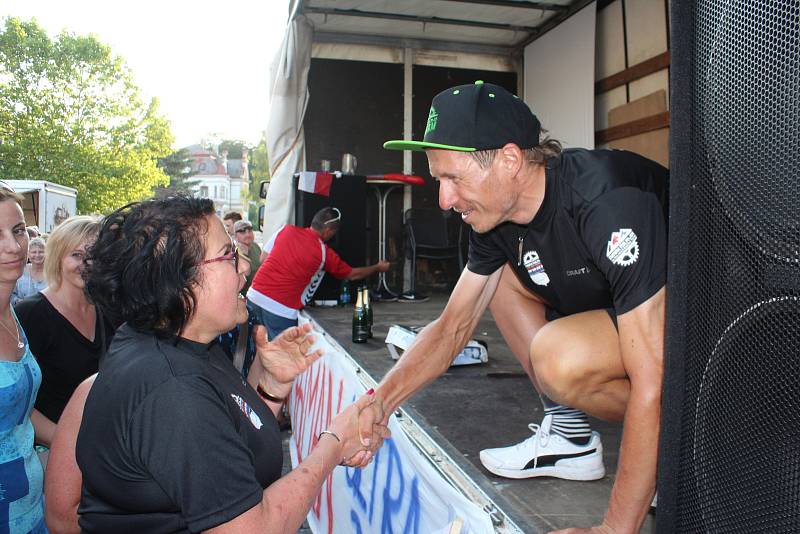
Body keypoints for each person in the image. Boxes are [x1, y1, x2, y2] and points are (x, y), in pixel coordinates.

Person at [360, 81, 668, 534]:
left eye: (454, 179)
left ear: (509, 160)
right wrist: (375, 405)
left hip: (712, 319)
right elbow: (451, 329)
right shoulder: (491, 219)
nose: (444, 200)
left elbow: (653, 379)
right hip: (621, 312)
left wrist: (613, 529)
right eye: (438, 180)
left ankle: (679, 450)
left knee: (560, 357)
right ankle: (570, 435)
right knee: (498, 278)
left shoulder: (604, 200)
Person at [73, 195, 388, 532]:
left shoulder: (177, 344)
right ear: (180, 281)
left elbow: (227, 439)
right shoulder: (174, 390)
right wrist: (334, 444)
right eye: (228, 255)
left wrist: (271, 387)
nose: (245, 266)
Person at [15, 216, 115, 427]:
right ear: (58, 257)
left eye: (94, 255)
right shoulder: (31, 314)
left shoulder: (109, 310)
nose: (87, 263)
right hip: (51, 451)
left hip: (99, 443)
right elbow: (17, 401)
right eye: (77, 255)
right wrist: (66, 443)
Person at [247, 207, 391, 340]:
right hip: (280, 309)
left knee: (256, 352)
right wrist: (377, 267)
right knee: (281, 359)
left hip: (254, 296)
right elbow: (352, 274)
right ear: (328, 230)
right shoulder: (323, 253)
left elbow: (263, 258)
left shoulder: (285, 230)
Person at [0, 183, 50, 533]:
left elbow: (17, 407)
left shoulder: (13, 314)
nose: (14, 246)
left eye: (18, 231)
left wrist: (71, 439)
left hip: (32, 509)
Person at [12, 237, 47, 305]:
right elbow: (11, 294)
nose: (37, 255)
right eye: (34, 252)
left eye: (41, 252)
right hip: (23, 312)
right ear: (28, 254)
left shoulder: (53, 272)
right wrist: (17, 301)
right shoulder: (20, 271)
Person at [233, 219, 262, 293]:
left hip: (259, 290)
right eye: (242, 232)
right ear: (236, 235)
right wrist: (244, 254)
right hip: (245, 295)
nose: (248, 235)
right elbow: (244, 276)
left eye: (250, 231)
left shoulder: (255, 246)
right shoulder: (234, 251)